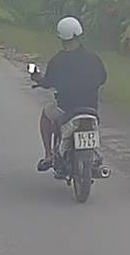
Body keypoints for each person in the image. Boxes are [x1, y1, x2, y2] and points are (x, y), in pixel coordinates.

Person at [31, 16, 108, 173]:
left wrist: (37, 78)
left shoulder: (57, 61)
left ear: (61, 37)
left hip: (65, 109)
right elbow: (102, 79)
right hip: (90, 108)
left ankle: (48, 156)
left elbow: (48, 82)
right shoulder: (93, 58)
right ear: (79, 34)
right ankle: (92, 155)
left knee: (46, 115)